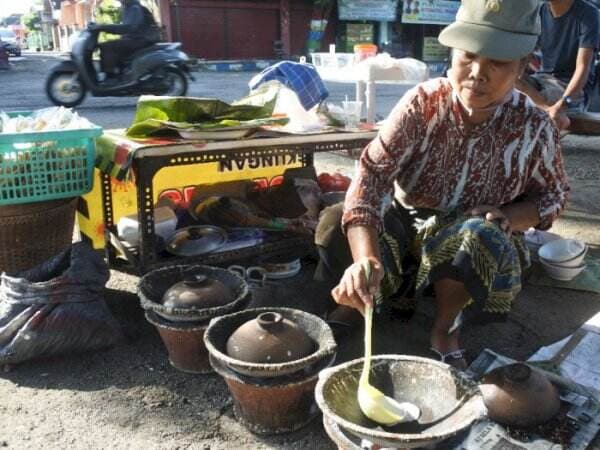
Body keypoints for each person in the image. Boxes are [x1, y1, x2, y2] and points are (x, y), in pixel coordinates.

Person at [315, 0, 570, 370]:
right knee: (336, 221)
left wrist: (510, 215)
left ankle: (445, 325)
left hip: (466, 239)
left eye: (497, 62)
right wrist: (366, 258)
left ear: (521, 66)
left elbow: (555, 194)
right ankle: (360, 302)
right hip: (407, 227)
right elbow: (372, 175)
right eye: (467, 56)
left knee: (480, 236)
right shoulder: (423, 103)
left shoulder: (534, 126)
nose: (476, 73)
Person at [517, 0, 600, 130]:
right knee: (505, 86)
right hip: (541, 80)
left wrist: (563, 103)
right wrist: (514, 79)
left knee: (530, 103)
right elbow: (525, 55)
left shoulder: (589, 14)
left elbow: (582, 68)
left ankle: (550, 113)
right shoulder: (540, 11)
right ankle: (548, 110)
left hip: (569, 87)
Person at [93, 0, 162, 78]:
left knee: (107, 46)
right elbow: (125, 27)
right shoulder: (128, 8)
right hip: (136, 38)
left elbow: (128, 27)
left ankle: (110, 78)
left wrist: (103, 27)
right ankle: (121, 75)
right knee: (115, 45)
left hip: (142, 39)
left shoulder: (134, 8)